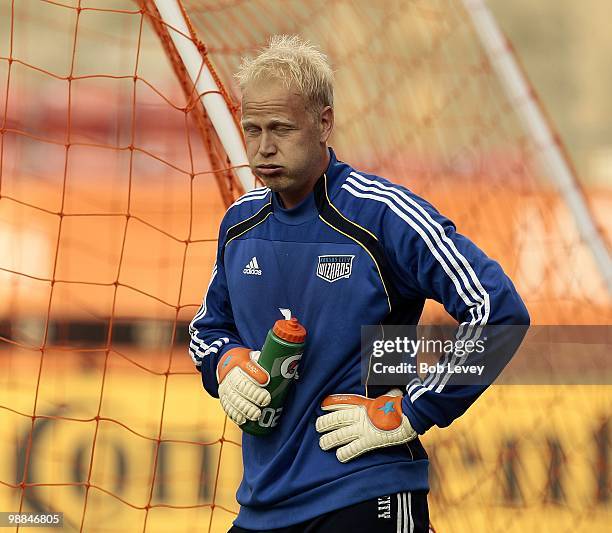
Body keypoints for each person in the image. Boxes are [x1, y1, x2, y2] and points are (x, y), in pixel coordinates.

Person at [189, 35, 529, 533]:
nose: (263, 147)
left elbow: (499, 313)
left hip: (369, 490)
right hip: (262, 502)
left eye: (281, 128)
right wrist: (225, 365)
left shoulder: (383, 215)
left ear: (324, 123)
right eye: (253, 129)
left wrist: (410, 410)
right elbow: (207, 329)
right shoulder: (239, 225)